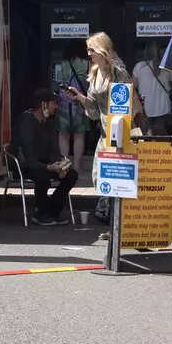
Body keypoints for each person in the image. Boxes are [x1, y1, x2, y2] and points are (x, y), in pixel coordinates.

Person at [61, 32, 136, 223]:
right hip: (104, 131)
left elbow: (128, 104)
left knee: (118, 177)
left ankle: (116, 219)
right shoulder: (94, 72)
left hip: (120, 131)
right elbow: (93, 108)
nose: (89, 53)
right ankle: (111, 216)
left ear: (103, 49)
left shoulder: (118, 72)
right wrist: (78, 96)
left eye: (92, 49)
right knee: (100, 175)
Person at [14, 88, 77, 225]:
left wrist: (61, 164)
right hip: (29, 165)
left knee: (71, 175)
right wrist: (48, 167)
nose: (56, 106)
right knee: (42, 177)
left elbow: (54, 149)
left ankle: (52, 211)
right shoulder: (27, 121)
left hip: (47, 164)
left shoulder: (48, 122)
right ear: (43, 104)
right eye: (53, 103)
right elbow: (29, 156)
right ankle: (41, 214)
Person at [51, 40, 91, 180]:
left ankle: (65, 166)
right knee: (79, 136)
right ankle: (77, 166)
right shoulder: (87, 64)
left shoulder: (62, 64)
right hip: (79, 104)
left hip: (62, 104)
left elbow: (55, 84)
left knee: (63, 136)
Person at [133, 43, 172, 137]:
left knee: (147, 134)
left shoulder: (139, 66)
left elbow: (133, 85)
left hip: (146, 106)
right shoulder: (165, 66)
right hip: (163, 106)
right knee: (161, 134)